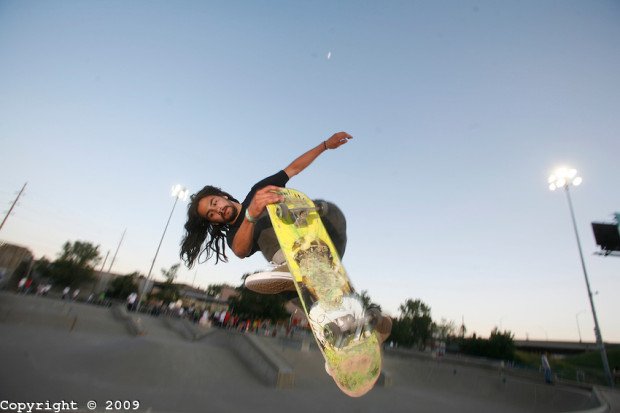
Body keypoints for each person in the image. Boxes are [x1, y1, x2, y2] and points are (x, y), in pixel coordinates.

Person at [180, 131, 391, 339]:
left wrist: (325, 145)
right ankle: (361, 319)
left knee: (269, 208)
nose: (217, 211)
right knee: (289, 289)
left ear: (223, 196)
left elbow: (293, 168)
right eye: (211, 214)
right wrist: (250, 216)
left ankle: (301, 245)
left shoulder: (257, 191)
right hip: (303, 272)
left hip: (327, 225)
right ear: (213, 221)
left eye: (215, 203)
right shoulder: (235, 235)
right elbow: (240, 250)